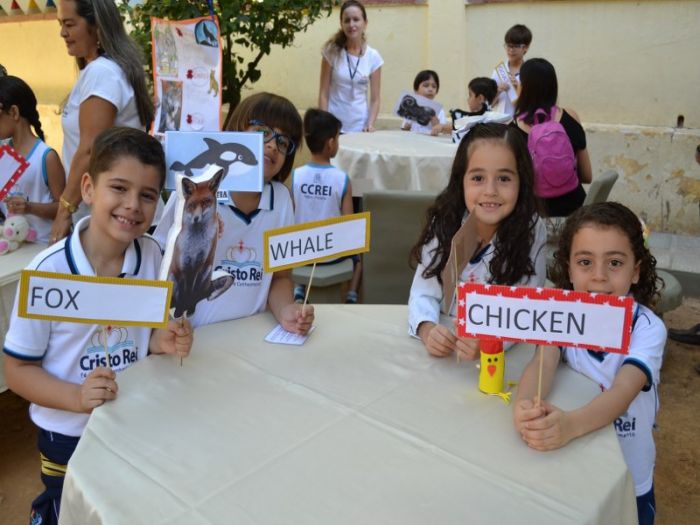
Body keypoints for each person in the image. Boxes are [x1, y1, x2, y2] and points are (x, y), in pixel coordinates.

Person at [3, 127, 193, 525]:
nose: (132, 205)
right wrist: (76, 397)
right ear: (88, 188)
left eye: (147, 195)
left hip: (133, 420)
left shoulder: (153, 255)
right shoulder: (47, 272)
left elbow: (144, 334)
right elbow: (17, 370)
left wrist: (162, 340)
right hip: (67, 434)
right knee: (70, 510)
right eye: (119, 188)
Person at [513, 202, 666, 525]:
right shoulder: (561, 314)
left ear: (636, 270)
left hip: (626, 473)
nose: (599, 276)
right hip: (573, 462)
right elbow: (544, 361)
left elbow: (623, 389)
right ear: (569, 269)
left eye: (615, 263)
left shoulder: (647, 328)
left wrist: (571, 425)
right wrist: (523, 406)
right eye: (585, 262)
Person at [154, 92, 314, 333]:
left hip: (249, 337)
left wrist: (286, 311)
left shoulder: (282, 200)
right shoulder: (192, 192)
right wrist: (163, 328)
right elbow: (158, 261)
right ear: (236, 131)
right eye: (262, 132)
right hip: (189, 338)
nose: (272, 145)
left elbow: (280, 277)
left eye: (283, 142)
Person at [408, 123, 547, 359]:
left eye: (504, 178)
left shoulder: (531, 230)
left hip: (502, 355)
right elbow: (423, 292)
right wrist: (426, 328)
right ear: (461, 180)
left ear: (521, 182)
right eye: (478, 178)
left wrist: (490, 341)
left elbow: (527, 306)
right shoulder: (445, 222)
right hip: (446, 345)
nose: (490, 190)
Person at [51, 0, 155, 243]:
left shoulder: (102, 73)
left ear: (96, 26)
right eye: (60, 24)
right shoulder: (103, 70)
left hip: (111, 219)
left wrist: (64, 210)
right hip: (112, 215)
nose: (62, 33)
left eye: (69, 24)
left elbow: (90, 149)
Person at [292, 108, 362, 304]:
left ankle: (298, 289)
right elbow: (348, 224)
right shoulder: (342, 179)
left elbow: (292, 216)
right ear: (331, 143)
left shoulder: (296, 175)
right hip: (332, 254)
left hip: (300, 252)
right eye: (338, 138)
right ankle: (352, 295)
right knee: (359, 258)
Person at [511, 57, 593, 217]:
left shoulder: (513, 130)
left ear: (524, 87)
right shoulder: (571, 116)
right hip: (574, 213)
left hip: (535, 217)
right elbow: (587, 176)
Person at [0, 76, 66, 242]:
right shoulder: (3, 152)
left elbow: (64, 208)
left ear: (14, 112)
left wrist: (30, 207)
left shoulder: (46, 157)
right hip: (12, 244)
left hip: (40, 245)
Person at [318, 0, 383, 133]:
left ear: (365, 23)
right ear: (341, 24)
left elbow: (375, 99)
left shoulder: (373, 57)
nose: (351, 24)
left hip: (360, 128)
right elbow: (323, 93)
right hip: (334, 127)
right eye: (347, 20)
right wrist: (324, 124)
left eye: (356, 19)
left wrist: (370, 124)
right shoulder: (331, 52)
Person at [491, 24, 531, 118]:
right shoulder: (499, 70)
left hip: (521, 123)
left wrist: (518, 89)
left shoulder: (530, 72)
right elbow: (489, 104)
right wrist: (498, 91)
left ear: (525, 47)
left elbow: (532, 104)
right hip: (500, 123)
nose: (511, 50)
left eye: (515, 46)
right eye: (508, 45)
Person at [400, 70, 450, 136]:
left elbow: (442, 131)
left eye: (434, 86)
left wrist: (438, 126)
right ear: (416, 90)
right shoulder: (411, 108)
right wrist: (407, 127)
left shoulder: (439, 111)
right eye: (426, 85)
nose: (430, 89)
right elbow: (404, 129)